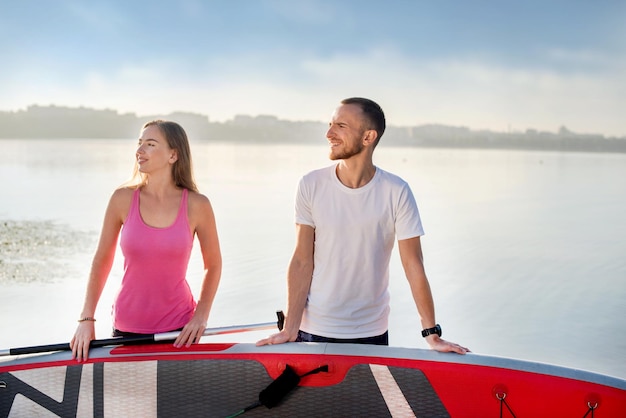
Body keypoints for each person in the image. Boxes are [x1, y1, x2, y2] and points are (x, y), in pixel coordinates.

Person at [257, 98, 468, 354]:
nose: (329, 134)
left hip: (371, 333)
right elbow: (302, 260)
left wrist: (432, 334)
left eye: (341, 126)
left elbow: (413, 265)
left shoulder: (396, 191)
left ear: (368, 137)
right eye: (330, 124)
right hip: (313, 330)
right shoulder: (311, 184)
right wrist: (290, 328)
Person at [70, 120, 222, 362]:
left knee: (177, 400)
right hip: (127, 326)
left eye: (150, 144)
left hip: (180, 330)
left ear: (173, 155)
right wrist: (86, 319)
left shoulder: (197, 204)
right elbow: (102, 260)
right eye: (139, 143)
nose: (139, 151)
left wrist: (201, 316)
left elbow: (213, 265)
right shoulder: (122, 199)